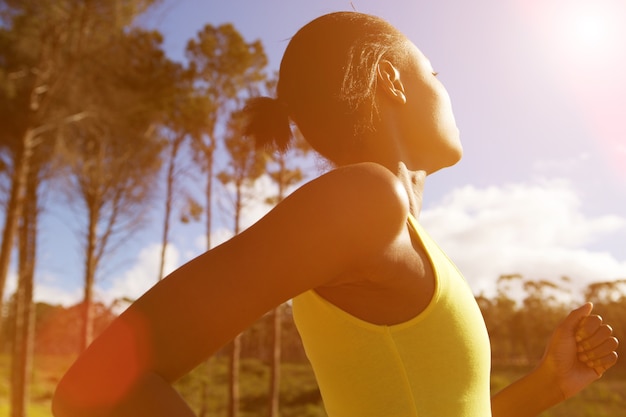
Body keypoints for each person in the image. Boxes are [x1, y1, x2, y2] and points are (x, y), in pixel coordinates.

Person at [52, 11, 619, 417]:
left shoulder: (404, 235)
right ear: (391, 80)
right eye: (436, 75)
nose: (447, 93)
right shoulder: (366, 200)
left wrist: (548, 385)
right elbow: (95, 390)